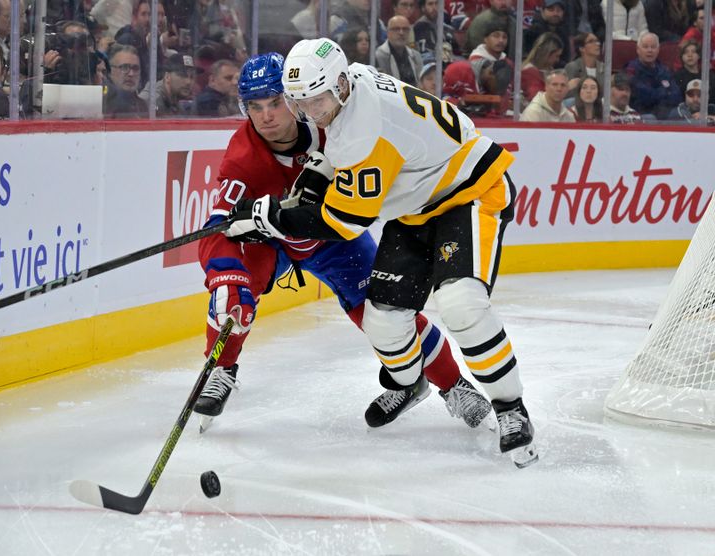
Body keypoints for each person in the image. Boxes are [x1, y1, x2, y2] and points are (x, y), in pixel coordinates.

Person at [226, 39, 538, 468]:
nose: (311, 114)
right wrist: (314, 180)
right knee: (383, 320)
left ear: (337, 85)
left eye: (317, 102)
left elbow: (343, 223)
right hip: (416, 206)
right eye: (302, 104)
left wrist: (271, 216)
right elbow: (336, 152)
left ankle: (511, 409)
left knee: (461, 302)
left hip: (467, 194)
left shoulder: (364, 128)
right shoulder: (351, 81)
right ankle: (409, 385)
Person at [194, 51, 493, 432]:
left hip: (332, 237)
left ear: (294, 98)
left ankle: (453, 385)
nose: (266, 115)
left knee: (385, 311)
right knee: (236, 291)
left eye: (275, 102)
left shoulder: (331, 125)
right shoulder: (242, 157)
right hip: (271, 242)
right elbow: (217, 227)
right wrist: (224, 274)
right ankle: (221, 369)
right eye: (255, 106)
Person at [625, 32, 682, 120]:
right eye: (645, 47)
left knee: (681, 113)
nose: (650, 50)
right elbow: (645, 97)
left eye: (653, 47)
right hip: (642, 114)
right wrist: (666, 92)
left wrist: (658, 93)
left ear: (658, 50)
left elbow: (677, 95)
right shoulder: (631, 70)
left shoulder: (664, 70)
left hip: (665, 113)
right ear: (638, 50)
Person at [139, 52, 197, 116]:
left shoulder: (176, 104)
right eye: (182, 75)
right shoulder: (152, 101)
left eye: (192, 77)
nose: (188, 82)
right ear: (167, 77)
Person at [104, 43, 149, 117]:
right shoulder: (103, 105)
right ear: (109, 71)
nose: (131, 74)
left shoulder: (143, 106)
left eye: (135, 68)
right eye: (124, 67)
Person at [375, 15, 423, 86]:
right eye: (396, 29)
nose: (401, 33)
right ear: (388, 32)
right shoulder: (378, 56)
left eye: (405, 29)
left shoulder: (416, 56)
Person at [524, 0, 572, 66]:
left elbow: (566, 58)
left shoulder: (563, 32)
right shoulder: (533, 31)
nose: (555, 13)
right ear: (542, 11)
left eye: (558, 10)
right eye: (551, 10)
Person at [521, 31, 564, 102]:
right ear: (546, 53)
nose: (558, 60)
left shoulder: (550, 70)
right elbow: (536, 97)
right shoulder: (528, 72)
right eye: (556, 56)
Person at [563, 32, 604, 98]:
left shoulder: (604, 68)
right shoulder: (572, 67)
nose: (597, 44)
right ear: (581, 48)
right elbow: (568, 94)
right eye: (591, 41)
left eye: (597, 41)